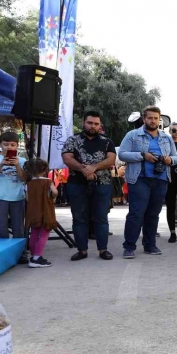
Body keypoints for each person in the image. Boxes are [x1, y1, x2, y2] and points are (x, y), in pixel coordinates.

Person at [119, 106, 177, 259]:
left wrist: (168, 160)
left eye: (156, 118)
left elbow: (176, 158)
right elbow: (122, 154)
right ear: (144, 119)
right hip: (139, 179)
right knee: (136, 213)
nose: (153, 121)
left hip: (161, 179)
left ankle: (150, 244)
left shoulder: (167, 138)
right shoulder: (133, 135)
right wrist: (142, 155)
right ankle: (129, 246)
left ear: (159, 120)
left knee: (153, 214)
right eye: (150, 118)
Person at [61, 112, 118, 261]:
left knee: (101, 218)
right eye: (90, 123)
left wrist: (94, 168)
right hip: (76, 184)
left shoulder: (107, 141)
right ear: (83, 123)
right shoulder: (72, 140)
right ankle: (82, 250)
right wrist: (84, 169)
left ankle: (103, 250)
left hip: (102, 183)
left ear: (100, 125)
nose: (93, 126)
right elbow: (67, 158)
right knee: (79, 218)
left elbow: (111, 159)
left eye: (96, 124)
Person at [0, 132, 27, 257]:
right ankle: (3, 255)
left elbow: (23, 178)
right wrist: (1, 165)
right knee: (1, 228)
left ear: (17, 146)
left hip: (18, 198)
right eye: (5, 144)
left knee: (18, 228)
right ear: (0, 145)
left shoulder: (22, 160)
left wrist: (17, 166)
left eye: (12, 145)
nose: (9, 147)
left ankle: (20, 253)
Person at [24, 159, 58, 268]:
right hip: (45, 211)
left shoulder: (28, 183)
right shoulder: (48, 181)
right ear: (44, 170)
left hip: (33, 212)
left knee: (34, 233)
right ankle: (36, 258)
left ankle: (33, 255)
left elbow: (27, 197)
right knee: (44, 234)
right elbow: (54, 192)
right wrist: (53, 197)